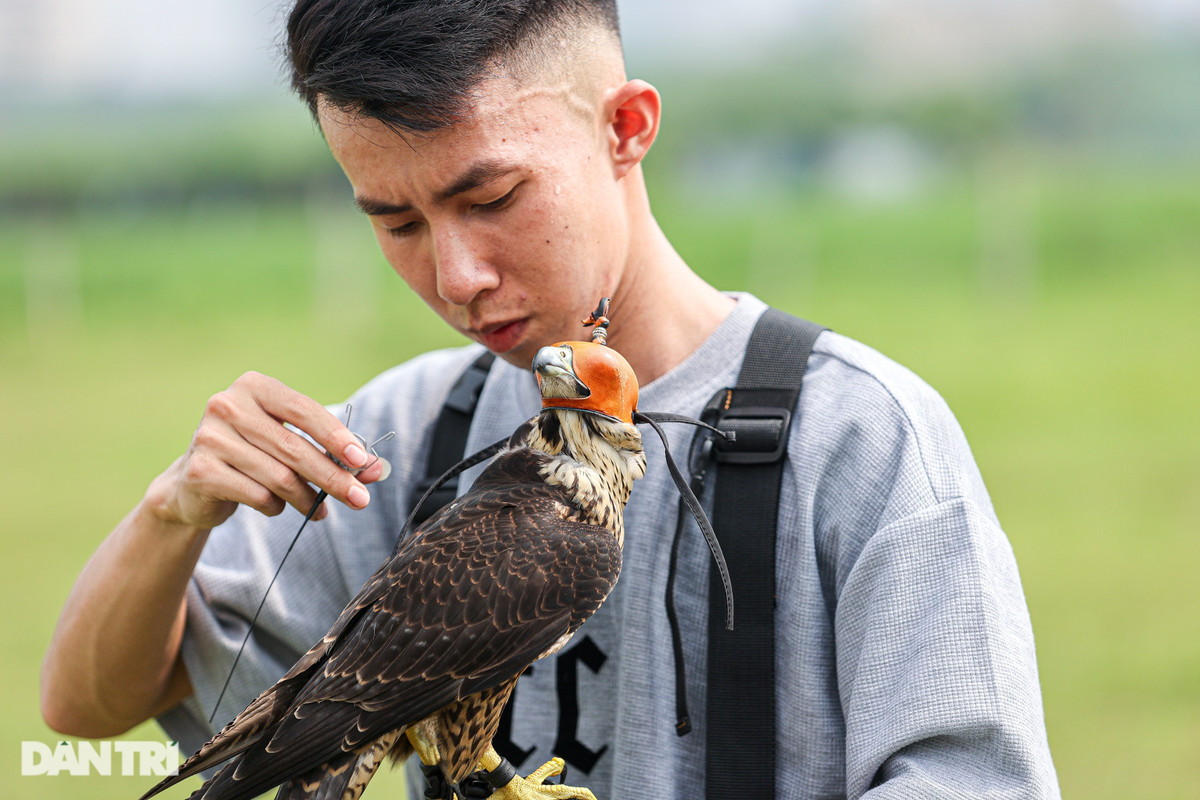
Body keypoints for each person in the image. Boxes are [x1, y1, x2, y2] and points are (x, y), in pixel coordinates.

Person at [41, 1, 1061, 797]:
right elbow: (89, 705)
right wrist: (173, 509)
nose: (457, 275)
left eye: (490, 199)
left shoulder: (863, 437)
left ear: (626, 127)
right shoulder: (405, 434)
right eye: (395, 222)